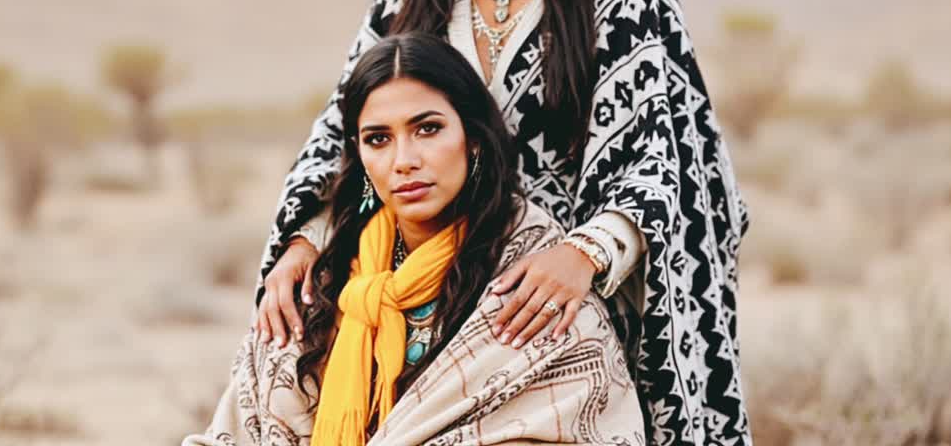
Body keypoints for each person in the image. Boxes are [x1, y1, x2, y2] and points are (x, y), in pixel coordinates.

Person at [255, 0, 753, 444]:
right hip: (421, 278)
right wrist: (303, 240)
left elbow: (669, 159)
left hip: (551, 304)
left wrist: (582, 255)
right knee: (288, 329)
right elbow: (347, 130)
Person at [186, 33, 646, 446]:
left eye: (427, 129)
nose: (403, 160)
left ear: (474, 139)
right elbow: (240, 426)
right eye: (378, 139)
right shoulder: (318, 282)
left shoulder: (539, 286)